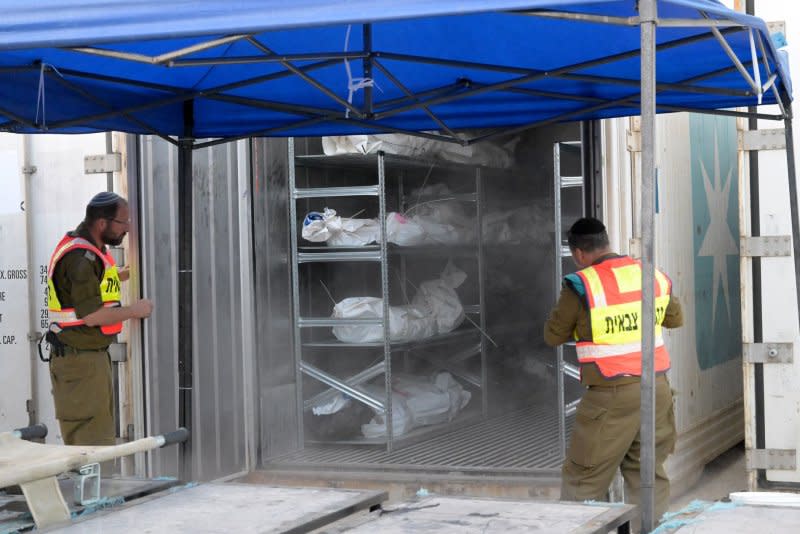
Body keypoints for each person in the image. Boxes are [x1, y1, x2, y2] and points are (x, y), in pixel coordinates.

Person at [544, 217, 682, 521]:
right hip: (657, 389)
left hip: (612, 395)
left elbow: (553, 335)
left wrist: (585, 327)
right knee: (646, 472)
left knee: (584, 477)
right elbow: (674, 318)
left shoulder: (583, 285)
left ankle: (575, 528)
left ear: (579, 253)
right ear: (607, 242)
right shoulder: (652, 275)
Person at [46, 191, 153, 446]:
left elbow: (100, 282)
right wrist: (134, 310)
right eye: (123, 223)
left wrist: (126, 273)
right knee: (92, 445)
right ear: (102, 223)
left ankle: (98, 485)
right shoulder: (81, 259)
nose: (126, 230)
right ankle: (96, 487)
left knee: (98, 437)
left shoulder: (89, 250)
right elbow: (93, 315)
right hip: (80, 362)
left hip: (87, 358)